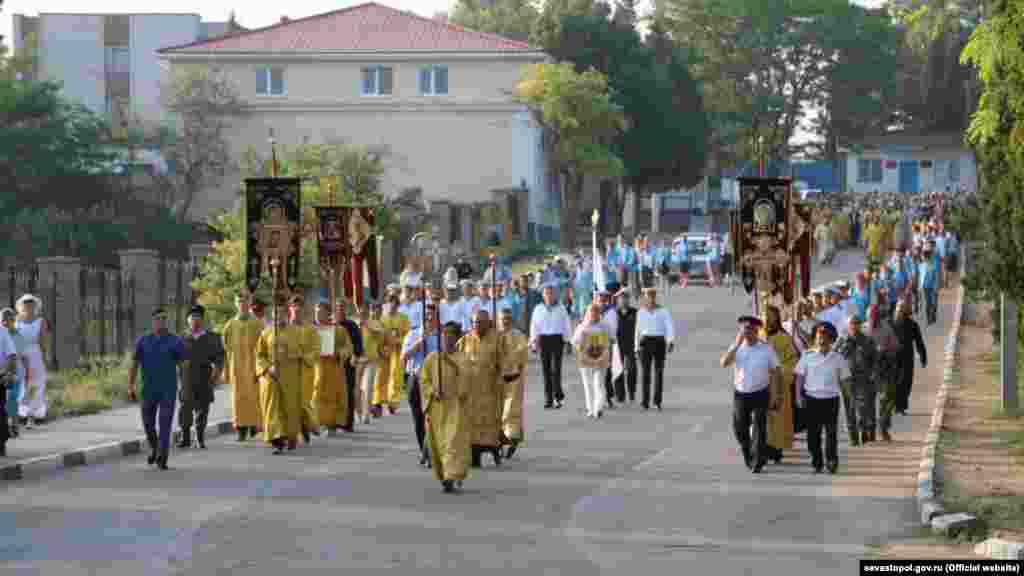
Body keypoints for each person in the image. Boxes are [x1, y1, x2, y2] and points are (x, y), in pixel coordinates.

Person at [720, 315, 779, 473]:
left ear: (757, 331)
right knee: (740, 428)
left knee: (760, 427)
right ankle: (747, 451)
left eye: (750, 330)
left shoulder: (766, 348)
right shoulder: (737, 347)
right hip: (741, 393)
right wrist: (737, 345)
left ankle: (758, 460)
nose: (747, 332)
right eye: (744, 329)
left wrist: (774, 395)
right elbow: (724, 363)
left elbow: (775, 372)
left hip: (761, 393)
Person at [128, 308, 185, 469]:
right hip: (148, 390)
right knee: (148, 424)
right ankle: (154, 448)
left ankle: (162, 457)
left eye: (163, 319)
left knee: (165, 424)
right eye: (157, 319)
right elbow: (134, 365)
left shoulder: (175, 341)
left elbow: (182, 366)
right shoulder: (143, 341)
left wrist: (183, 387)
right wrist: (130, 386)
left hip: (168, 389)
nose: (160, 322)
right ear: (152, 321)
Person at [421, 321, 472, 493]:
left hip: (455, 407)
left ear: (456, 339)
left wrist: (450, 364)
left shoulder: (463, 359)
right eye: (444, 335)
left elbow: (466, 380)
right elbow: (424, 380)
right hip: (436, 408)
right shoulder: (432, 358)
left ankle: (452, 475)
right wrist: (431, 391)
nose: (447, 339)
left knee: (452, 442)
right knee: (437, 445)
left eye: (451, 335)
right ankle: (445, 475)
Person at [795, 321, 850, 474]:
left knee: (831, 433)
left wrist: (849, 398)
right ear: (815, 338)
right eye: (819, 336)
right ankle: (817, 461)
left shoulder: (838, 358)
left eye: (825, 336)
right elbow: (799, 377)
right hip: (812, 399)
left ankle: (831, 460)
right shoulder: (807, 356)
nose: (821, 339)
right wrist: (798, 396)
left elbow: (845, 380)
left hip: (831, 399)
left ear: (831, 339)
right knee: (813, 435)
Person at [255, 295, 304, 454]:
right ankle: (277, 440)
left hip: (290, 376)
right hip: (271, 376)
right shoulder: (266, 333)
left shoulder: (296, 332)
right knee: (272, 408)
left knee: (289, 407)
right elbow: (259, 355)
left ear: (286, 314)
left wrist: (289, 353)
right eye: (276, 314)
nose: (279, 317)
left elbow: (303, 351)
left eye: (282, 313)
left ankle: (290, 436)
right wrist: (268, 368)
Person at [458, 309, 504, 468]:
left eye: (481, 322)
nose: (477, 325)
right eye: (475, 322)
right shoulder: (466, 340)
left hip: (490, 389)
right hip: (470, 390)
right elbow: (456, 359)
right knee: (471, 423)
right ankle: (474, 454)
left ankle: (494, 449)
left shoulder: (497, 339)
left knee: (489, 422)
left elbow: (504, 361)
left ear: (488, 323)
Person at [176, 305, 225, 450]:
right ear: (187, 320)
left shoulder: (212, 338)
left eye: (198, 317)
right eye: (192, 318)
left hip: (205, 377)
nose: (195, 320)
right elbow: (173, 358)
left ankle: (200, 437)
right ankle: (185, 437)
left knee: (202, 409)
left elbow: (220, 358)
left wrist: (216, 374)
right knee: (185, 408)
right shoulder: (180, 339)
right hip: (186, 378)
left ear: (202, 319)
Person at [400, 302, 441, 467]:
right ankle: (423, 449)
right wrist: (419, 344)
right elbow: (404, 357)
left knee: (431, 418)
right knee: (418, 418)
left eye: (432, 315)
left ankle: (430, 451)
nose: (429, 317)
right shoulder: (413, 334)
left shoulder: (441, 336)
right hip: (415, 378)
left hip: (433, 381)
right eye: (427, 315)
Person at [222, 292, 264, 441]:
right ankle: (240, 428)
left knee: (254, 398)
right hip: (237, 368)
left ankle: (254, 426)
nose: (242, 304)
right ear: (235, 303)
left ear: (250, 303)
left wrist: (261, 369)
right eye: (239, 301)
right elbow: (225, 350)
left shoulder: (257, 324)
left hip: (253, 367)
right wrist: (226, 371)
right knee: (238, 399)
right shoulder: (230, 325)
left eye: (245, 301)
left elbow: (263, 348)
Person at [761, 305, 799, 464]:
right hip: (760, 384)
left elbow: (793, 361)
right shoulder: (759, 336)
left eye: (771, 316)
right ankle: (761, 448)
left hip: (779, 384)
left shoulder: (784, 338)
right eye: (765, 316)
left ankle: (775, 449)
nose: (768, 319)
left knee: (777, 419)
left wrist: (782, 372)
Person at [835, 312, 880, 445]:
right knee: (848, 408)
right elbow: (832, 358)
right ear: (847, 326)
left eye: (856, 323)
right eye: (851, 324)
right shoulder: (842, 341)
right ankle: (853, 437)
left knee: (862, 407)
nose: (854, 326)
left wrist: (874, 373)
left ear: (860, 326)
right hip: (846, 380)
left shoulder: (867, 340)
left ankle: (863, 431)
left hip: (863, 378)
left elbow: (876, 359)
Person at [529, 282, 571, 409]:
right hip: (544, 340)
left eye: (551, 293)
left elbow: (566, 325)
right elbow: (534, 326)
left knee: (556, 370)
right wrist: (533, 342)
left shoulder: (561, 308)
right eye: (547, 293)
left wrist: (568, 341)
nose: (549, 295)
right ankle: (548, 399)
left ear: (555, 295)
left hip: (557, 339)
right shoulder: (538, 308)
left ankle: (558, 396)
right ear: (543, 295)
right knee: (546, 371)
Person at [314, 299, 354, 431]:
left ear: (328, 314)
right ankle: (316, 423)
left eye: (321, 313)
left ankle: (332, 424)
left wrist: (338, 354)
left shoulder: (339, 330)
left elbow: (348, 348)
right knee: (316, 397)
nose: (318, 316)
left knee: (335, 398)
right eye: (317, 313)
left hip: (334, 370)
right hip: (316, 370)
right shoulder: (311, 330)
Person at [864, 304, 902, 442]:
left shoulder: (886, 329)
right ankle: (870, 430)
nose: (872, 319)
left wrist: (886, 349)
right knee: (868, 402)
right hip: (866, 371)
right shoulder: (862, 329)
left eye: (874, 316)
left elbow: (896, 346)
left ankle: (884, 427)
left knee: (886, 400)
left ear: (879, 317)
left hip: (884, 369)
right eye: (870, 317)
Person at [635, 287, 675, 411]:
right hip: (645, 342)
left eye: (652, 296)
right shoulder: (641, 312)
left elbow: (669, 326)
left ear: (655, 297)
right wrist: (636, 346)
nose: (650, 299)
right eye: (648, 297)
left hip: (659, 341)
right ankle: (645, 401)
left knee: (659, 372)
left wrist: (670, 341)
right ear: (645, 298)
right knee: (645, 373)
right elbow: (637, 330)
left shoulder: (663, 311)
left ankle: (657, 401)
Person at [497, 306, 528, 458]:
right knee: (498, 410)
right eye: (502, 319)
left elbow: (522, 354)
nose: (505, 322)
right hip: (497, 379)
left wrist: (509, 359)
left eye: (508, 319)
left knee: (511, 410)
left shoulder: (518, 336)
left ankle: (511, 438)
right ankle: (501, 441)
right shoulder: (495, 335)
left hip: (513, 378)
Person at [289, 294, 320, 443]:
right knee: (291, 402)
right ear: (290, 309)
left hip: (306, 371)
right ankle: (294, 431)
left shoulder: (311, 329)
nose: (297, 310)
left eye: (299, 307)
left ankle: (308, 425)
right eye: (294, 307)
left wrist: (304, 357)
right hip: (289, 371)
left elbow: (316, 350)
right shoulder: (283, 328)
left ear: (304, 310)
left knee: (304, 401)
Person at [374, 286, 410, 417]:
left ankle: (392, 401)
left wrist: (399, 341)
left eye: (394, 304)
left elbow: (408, 335)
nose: (392, 306)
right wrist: (380, 348)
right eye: (390, 304)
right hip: (383, 351)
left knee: (395, 376)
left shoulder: (403, 318)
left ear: (398, 305)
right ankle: (377, 401)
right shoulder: (382, 318)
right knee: (380, 376)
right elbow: (376, 335)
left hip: (397, 351)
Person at [573, 303, 612, 419]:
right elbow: (574, 341)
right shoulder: (581, 327)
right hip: (585, 361)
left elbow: (610, 340)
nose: (593, 315)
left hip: (600, 360)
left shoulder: (604, 326)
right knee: (588, 385)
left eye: (596, 312)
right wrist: (578, 346)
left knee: (599, 384)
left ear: (599, 314)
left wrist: (605, 345)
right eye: (591, 312)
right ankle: (590, 409)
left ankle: (598, 408)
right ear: (587, 314)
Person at [15, 294, 48, 427]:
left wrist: (45, 357)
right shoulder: (16, 321)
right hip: (19, 354)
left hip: (35, 353)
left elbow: (43, 341)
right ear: (21, 306)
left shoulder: (41, 321)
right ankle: (24, 413)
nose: (28, 307)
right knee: (22, 383)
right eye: (26, 304)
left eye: (31, 304)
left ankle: (35, 413)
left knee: (36, 383)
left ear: (35, 306)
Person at [892, 299, 927, 414]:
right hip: (893, 357)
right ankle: (897, 405)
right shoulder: (891, 323)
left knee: (906, 382)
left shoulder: (912, 325)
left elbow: (919, 342)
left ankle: (901, 406)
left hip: (907, 357)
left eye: (902, 309)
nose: (900, 311)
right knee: (896, 381)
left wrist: (923, 357)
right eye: (899, 308)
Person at [335, 300, 365, 432]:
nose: (340, 311)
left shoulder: (351, 325)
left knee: (347, 391)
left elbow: (358, 344)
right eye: (337, 308)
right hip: (331, 364)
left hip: (348, 363)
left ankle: (348, 422)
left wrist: (355, 355)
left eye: (342, 308)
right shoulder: (330, 325)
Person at [1, 308, 29, 440]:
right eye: (4, 320)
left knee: (12, 400)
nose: (7, 322)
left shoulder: (18, 336)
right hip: (3, 373)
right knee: (5, 402)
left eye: (10, 320)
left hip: (16, 373)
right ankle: (8, 426)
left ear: (14, 321)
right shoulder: (1, 333)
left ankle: (14, 426)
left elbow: (24, 356)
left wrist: (28, 372)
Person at [355, 303, 384, 425]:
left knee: (367, 387)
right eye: (361, 311)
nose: (363, 313)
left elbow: (378, 332)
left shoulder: (375, 322)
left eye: (365, 311)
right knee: (357, 389)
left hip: (371, 360)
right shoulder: (355, 323)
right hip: (358, 360)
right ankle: (358, 413)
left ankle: (366, 414)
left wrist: (366, 325)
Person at [614, 290, 638, 404]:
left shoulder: (635, 313)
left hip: (632, 345)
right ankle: (620, 395)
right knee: (618, 371)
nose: (624, 300)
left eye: (626, 298)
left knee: (632, 369)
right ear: (617, 300)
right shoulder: (614, 313)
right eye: (621, 298)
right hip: (617, 345)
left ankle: (632, 392)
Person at [0, 318, 17, 457]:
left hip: (0, 375)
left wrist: (8, 373)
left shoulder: (2, 332)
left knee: (0, 410)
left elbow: (11, 355)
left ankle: (1, 443)